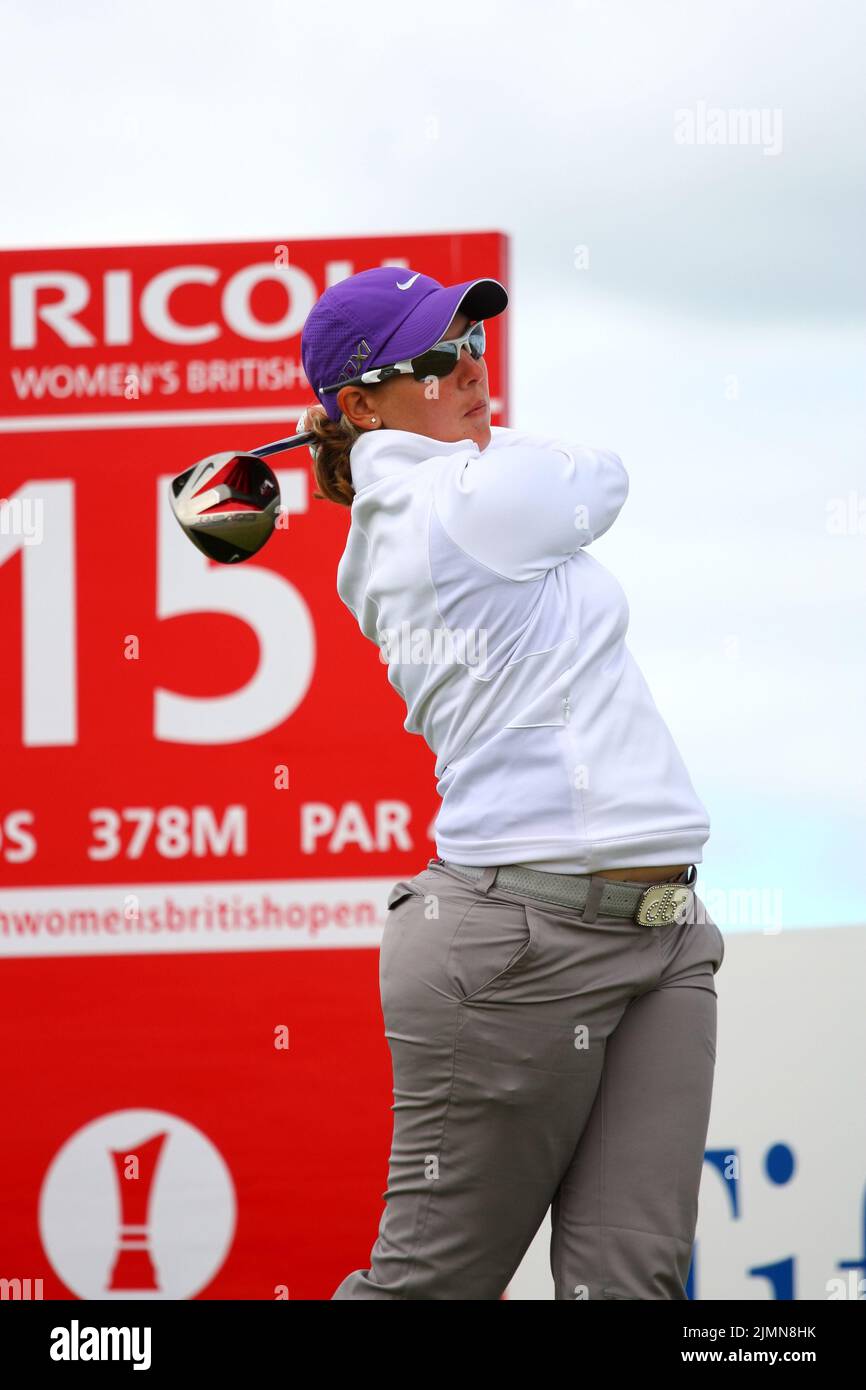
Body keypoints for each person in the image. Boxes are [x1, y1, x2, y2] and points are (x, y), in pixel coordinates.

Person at [299, 266, 725, 1300]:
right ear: (359, 404)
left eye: (475, 347)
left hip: (661, 935)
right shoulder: (443, 500)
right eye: (436, 359)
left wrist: (404, 432)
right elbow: (602, 474)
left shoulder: (444, 494)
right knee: (431, 1287)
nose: (469, 374)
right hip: (516, 946)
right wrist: (449, 445)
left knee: (631, 1283)